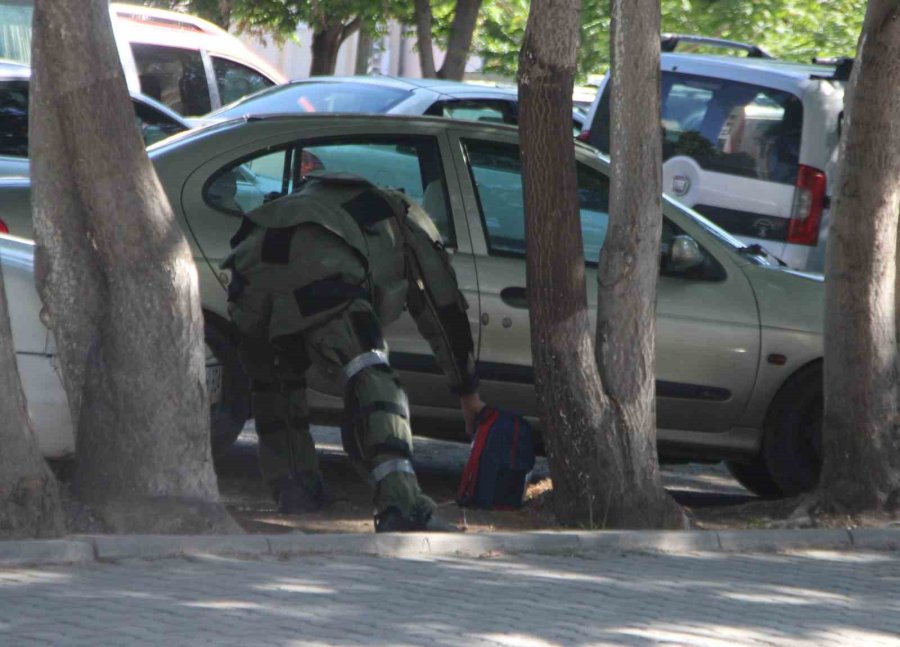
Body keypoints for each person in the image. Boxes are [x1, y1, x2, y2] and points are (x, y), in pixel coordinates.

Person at [223, 171, 485, 532]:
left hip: (248, 272)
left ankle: (298, 492)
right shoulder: (408, 219)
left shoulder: (320, 200)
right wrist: (468, 392)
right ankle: (403, 505)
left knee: (275, 379)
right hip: (323, 270)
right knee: (374, 376)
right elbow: (443, 309)